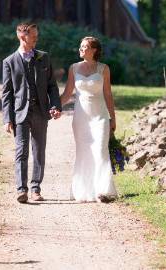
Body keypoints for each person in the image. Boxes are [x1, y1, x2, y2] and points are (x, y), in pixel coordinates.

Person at [2, 22, 62, 203]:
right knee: (21, 151)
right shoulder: (9, 62)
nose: (36, 38)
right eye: (33, 36)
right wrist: (7, 118)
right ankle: (21, 189)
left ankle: (36, 188)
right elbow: (7, 93)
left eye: (37, 35)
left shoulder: (44, 58)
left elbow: (52, 86)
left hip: (41, 112)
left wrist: (56, 106)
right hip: (20, 113)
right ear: (22, 37)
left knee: (39, 151)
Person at [60, 36, 118, 203]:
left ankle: (103, 191)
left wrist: (112, 118)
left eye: (84, 47)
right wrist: (54, 106)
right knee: (84, 152)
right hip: (81, 118)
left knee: (100, 149)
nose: (81, 49)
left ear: (94, 50)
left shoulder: (103, 69)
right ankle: (83, 190)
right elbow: (67, 93)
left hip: (99, 115)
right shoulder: (74, 68)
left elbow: (108, 94)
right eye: (81, 46)